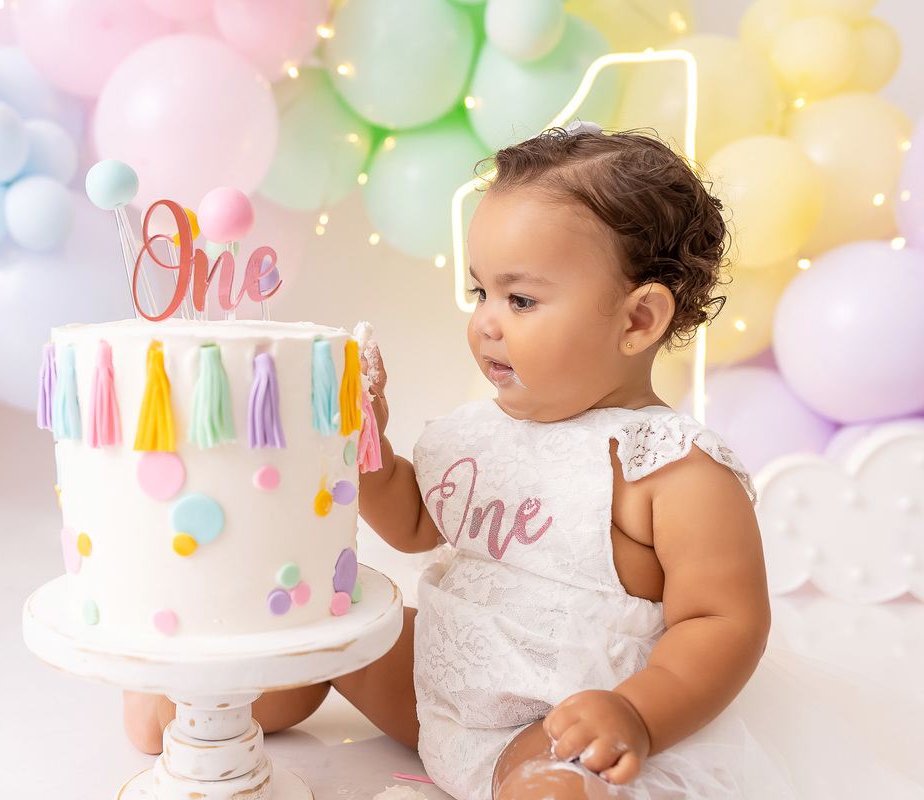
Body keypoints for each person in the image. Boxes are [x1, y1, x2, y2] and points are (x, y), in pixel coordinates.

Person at [124, 128, 924, 799]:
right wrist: (361, 444)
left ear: (639, 318)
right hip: (437, 680)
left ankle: (549, 781)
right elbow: (410, 521)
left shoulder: (672, 470)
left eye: (522, 299)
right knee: (340, 631)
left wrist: (635, 713)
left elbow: (725, 621)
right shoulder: (477, 432)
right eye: (479, 293)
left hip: (559, 708)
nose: (487, 325)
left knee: (552, 772)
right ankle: (216, 705)